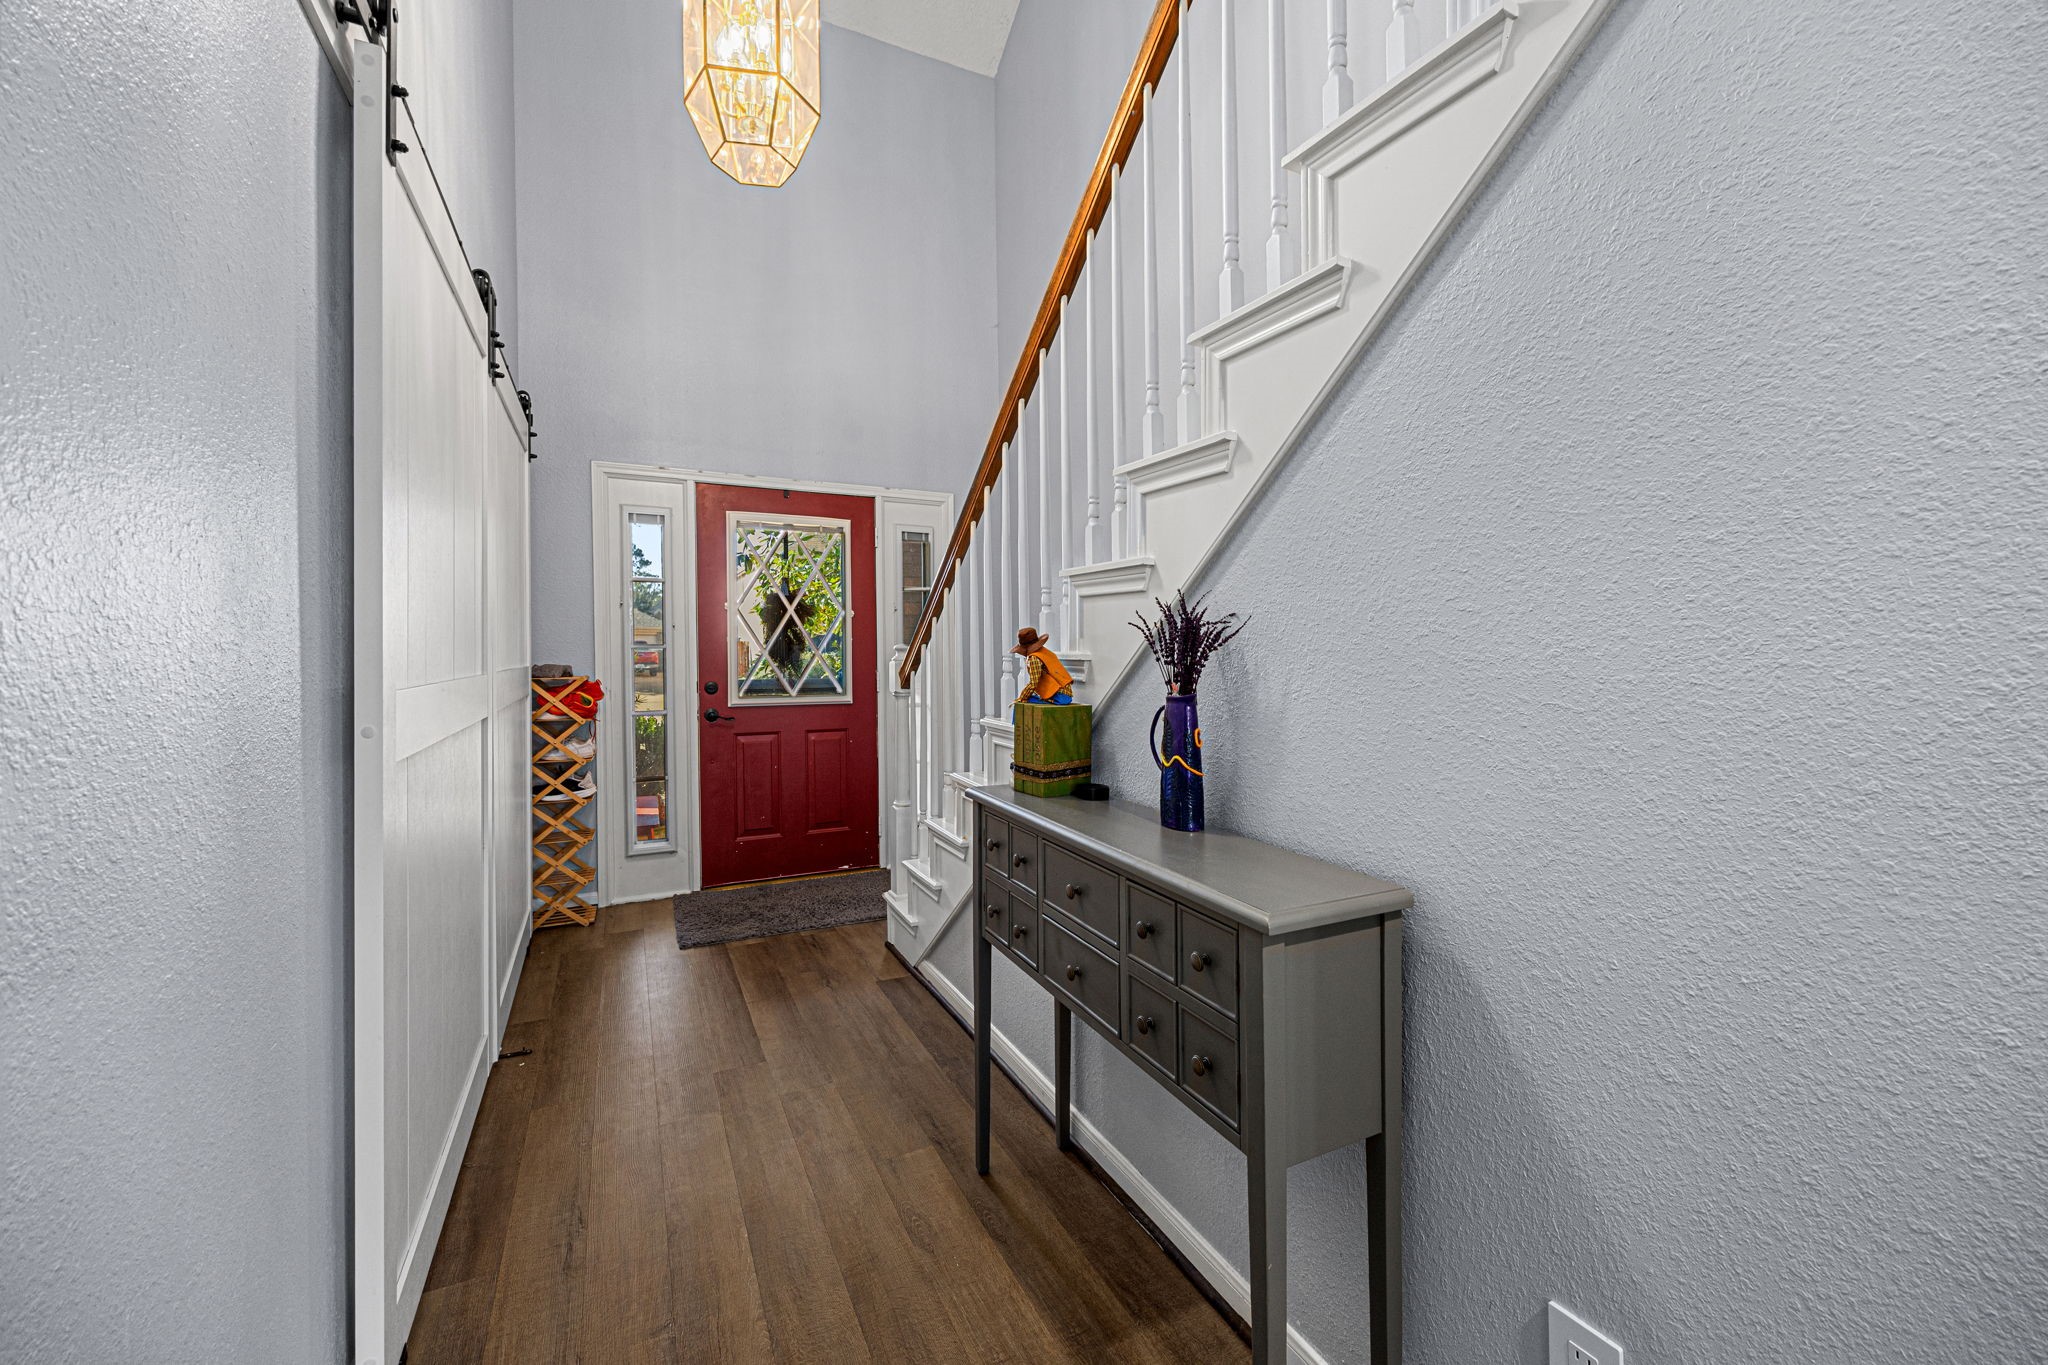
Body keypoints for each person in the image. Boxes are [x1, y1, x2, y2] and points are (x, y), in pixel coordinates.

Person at [1012, 627, 1074, 710]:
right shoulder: (1045, 652)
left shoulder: (1033, 658)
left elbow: (1033, 683)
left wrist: (1021, 698)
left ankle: (1016, 723)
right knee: (1028, 699)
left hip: (1059, 696)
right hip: (1067, 694)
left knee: (1020, 704)